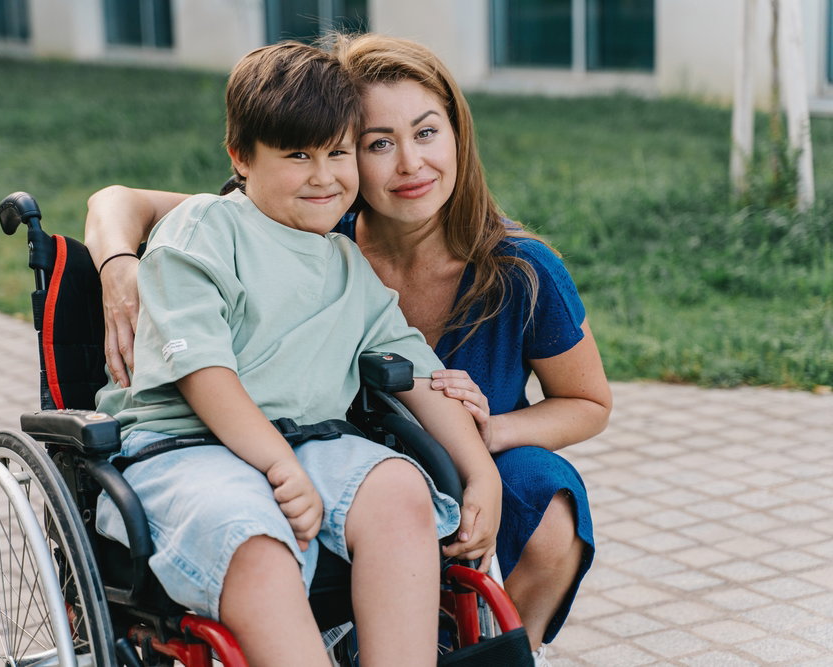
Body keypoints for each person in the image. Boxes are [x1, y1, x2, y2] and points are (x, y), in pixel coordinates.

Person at [86, 33, 612, 658]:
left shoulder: (347, 261)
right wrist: (117, 262)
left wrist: (480, 473)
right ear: (242, 159)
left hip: (313, 442)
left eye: (336, 152)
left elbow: (417, 371)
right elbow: (202, 368)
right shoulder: (216, 226)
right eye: (377, 144)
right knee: (254, 540)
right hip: (191, 445)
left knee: (402, 494)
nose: (323, 173)